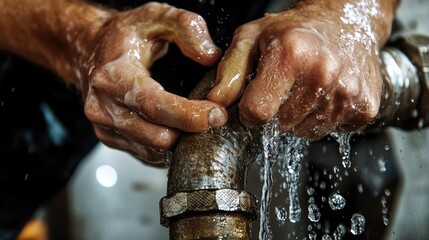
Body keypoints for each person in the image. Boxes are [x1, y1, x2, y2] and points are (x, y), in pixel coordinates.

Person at [0, 0, 401, 238]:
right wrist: (78, 37)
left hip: (270, 22)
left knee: (355, 176)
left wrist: (351, 17)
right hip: (38, 53)